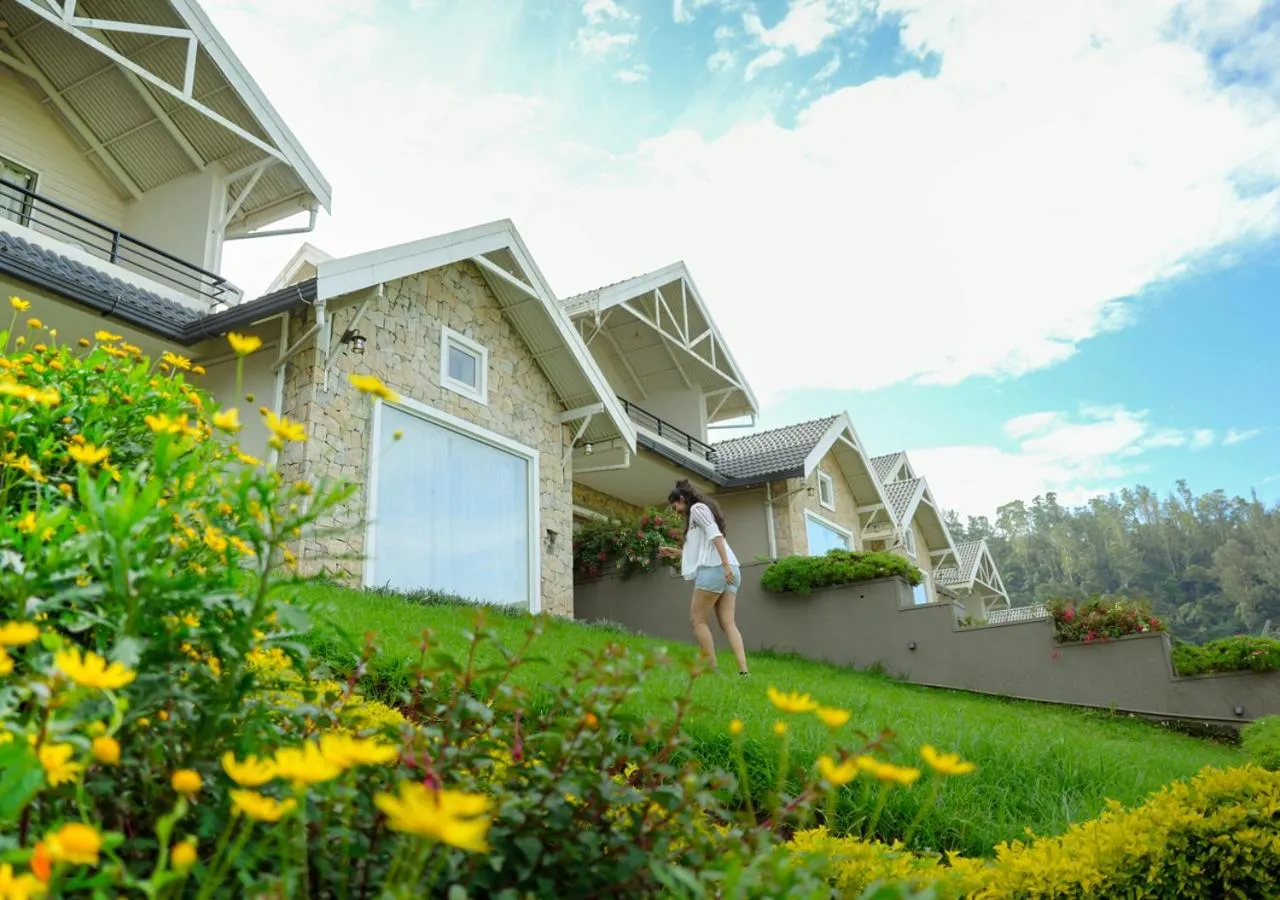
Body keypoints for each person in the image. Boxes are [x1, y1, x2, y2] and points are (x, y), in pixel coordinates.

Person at [659, 479, 750, 675]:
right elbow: (702, 549)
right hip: (731, 568)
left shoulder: (697, 509)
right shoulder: (699, 513)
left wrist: (724, 565)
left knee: (697, 620)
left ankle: (713, 669)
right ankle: (744, 672)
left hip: (716, 568)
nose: (676, 511)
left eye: (675, 506)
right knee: (728, 623)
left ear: (682, 499)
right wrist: (675, 552)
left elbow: (714, 534)